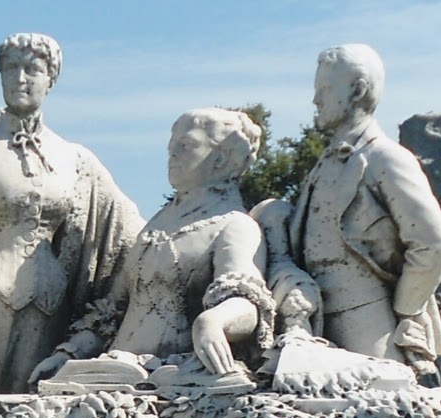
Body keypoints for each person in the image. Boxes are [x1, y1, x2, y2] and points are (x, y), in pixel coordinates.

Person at [0, 32, 142, 393]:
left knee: (32, 405)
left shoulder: (74, 158)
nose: (20, 79)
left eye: (32, 69)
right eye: (10, 68)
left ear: (50, 78)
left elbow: (126, 226)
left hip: (49, 302)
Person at [33, 108, 274, 381]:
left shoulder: (235, 225)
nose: (172, 153)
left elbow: (248, 302)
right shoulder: (156, 225)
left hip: (175, 373)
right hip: (117, 368)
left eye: (186, 145)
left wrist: (214, 321)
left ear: (220, 159)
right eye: (172, 145)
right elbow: (111, 311)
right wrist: (70, 353)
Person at [262, 44, 441, 376]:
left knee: (378, 399)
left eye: (324, 89)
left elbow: (435, 243)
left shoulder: (384, 158)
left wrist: (407, 310)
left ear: (357, 90)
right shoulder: (325, 163)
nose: (315, 100)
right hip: (312, 314)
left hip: (368, 317)